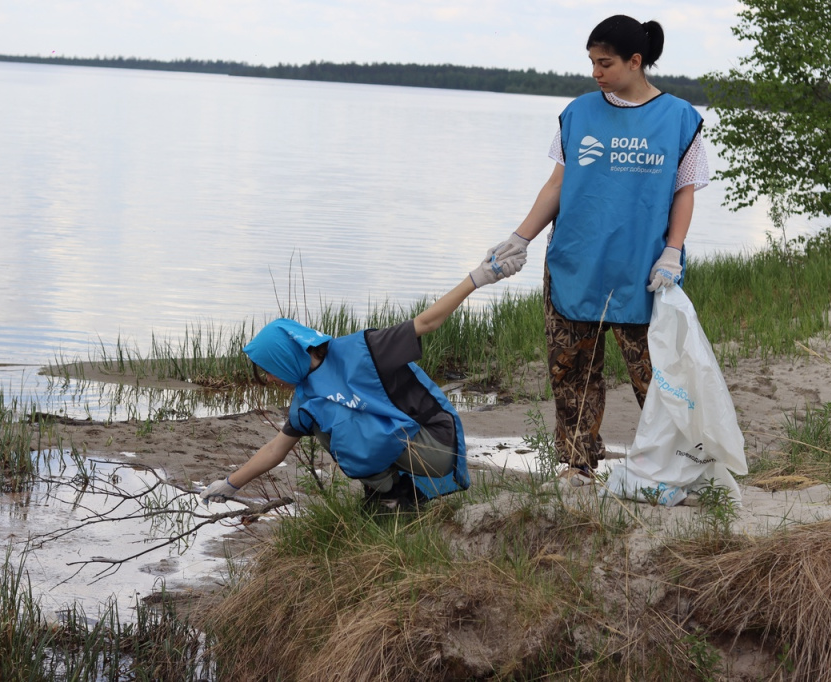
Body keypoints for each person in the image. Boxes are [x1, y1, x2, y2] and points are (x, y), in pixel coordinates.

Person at [486, 15, 710, 486]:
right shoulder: (578, 113)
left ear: (635, 61)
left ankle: (673, 468)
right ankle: (578, 465)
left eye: (604, 62)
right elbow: (558, 184)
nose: (595, 72)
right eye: (591, 61)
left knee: (657, 377)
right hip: (576, 264)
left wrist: (673, 251)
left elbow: (684, 192)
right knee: (573, 374)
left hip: (645, 269)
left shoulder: (680, 119)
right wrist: (520, 238)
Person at [199, 250, 526, 511]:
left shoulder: (364, 349)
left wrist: (480, 277)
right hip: (400, 447)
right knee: (316, 414)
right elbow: (276, 449)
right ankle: (390, 495)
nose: (270, 379)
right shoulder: (305, 399)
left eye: (269, 368)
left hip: (435, 445)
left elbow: (427, 322)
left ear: (286, 357)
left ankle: (398, 493)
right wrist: (231, 483)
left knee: (334, 416)